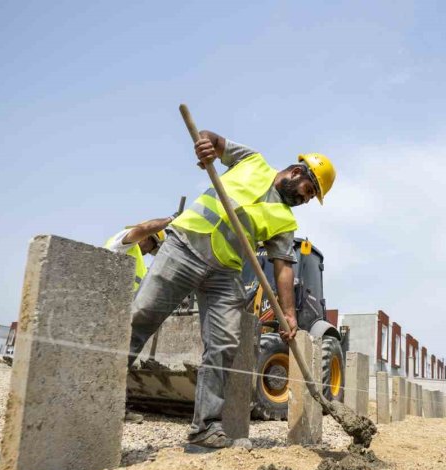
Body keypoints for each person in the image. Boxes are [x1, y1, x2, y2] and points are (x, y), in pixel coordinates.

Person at [128, 130, 336, 449]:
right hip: (185, 246)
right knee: (141, 318)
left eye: (310, 198)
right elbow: (214, 140)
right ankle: (94, 396)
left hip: (225, 272)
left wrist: (289, 316)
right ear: (297, 173)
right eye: (308, 191)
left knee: (224, 342)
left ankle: (205, 429)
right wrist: (207, 145)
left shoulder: (285, 222)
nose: (305, 199)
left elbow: (283, 267)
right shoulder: (252, 161)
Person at [104, 216, 173, 296]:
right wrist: (171, 219)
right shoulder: (123, 241)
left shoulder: (140, 264)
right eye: (153, 247)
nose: (149, 252)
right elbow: (143, 230)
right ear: (146, 238)